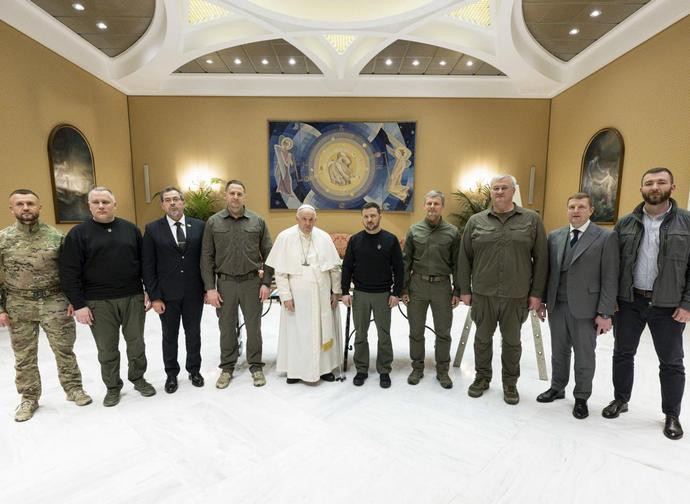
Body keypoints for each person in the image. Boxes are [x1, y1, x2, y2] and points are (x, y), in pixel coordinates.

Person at [602, 167, 690, 440]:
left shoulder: (686, 222)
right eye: (649, 183)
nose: (654, 187)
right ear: (641, 189)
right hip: (630, 302)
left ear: (672, 187)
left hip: (667, 306)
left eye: (660, 182)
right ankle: (621, 399)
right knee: (622, 353)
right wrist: (613, 301)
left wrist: (687, 303)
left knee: (672, 363)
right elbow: (612, 267)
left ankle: (671, 414)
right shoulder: (626, 223)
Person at [0, 189, 91, 422]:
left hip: (55, 301)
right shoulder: (3, 239)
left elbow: (71, 272)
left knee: (64, 349)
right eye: (20, 204)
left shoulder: (57, 237)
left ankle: (73, 388)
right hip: (19, 304)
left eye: (30, 203)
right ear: (12, 209)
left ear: (40, 207)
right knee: (24, 355)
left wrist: (74, 300)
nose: (26, 208)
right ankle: (29, 398)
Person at [59, 186, 155, 407]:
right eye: (96, 202)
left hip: (132, 297)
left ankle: (138, 378)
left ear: (115, 204)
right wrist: (79, 304)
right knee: (107, 348)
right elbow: (68, 272)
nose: (101, 206)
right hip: (98, 302)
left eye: (105, 201)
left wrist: (149, 289)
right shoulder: (78, 234)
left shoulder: (130, 229)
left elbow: (145, 264)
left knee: (136, 344)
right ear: (89, 206)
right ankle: (113, 386)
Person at [457, 174, 548, 405]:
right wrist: (464, 290)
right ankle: (482, 378)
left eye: (504, 188)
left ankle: (510, 384)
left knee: (512, 342)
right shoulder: (476, 221)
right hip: (483, 294)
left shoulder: (531, 220)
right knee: (482, 339)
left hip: (516, 295)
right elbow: (464, 258)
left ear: (513, 191)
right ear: (491, 192)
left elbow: (541, 259)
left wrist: (536, 293)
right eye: (495, 188)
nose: (499, 192)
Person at [536, 192, 618, 419]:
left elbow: (610, 277)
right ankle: (557, 387)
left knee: (584, 355)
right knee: (559, 351)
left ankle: (581, 397)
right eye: (571, 206)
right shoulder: (555, 236)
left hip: (587, 308)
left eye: (581, 206)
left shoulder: (605, 237)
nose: (576, 210)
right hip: (557, 305)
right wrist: (543, 300)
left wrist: (605, 312)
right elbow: (547, 272)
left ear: (591, 210)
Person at [201, 180, 273, 388]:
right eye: (231, 193)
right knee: (226, 327)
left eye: (239, 193)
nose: (235, 197)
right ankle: (227, 367)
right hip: (225, 284)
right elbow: (206, 257)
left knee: (254, 326)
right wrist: (210, 288)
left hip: (252, 282)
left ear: (244, 196)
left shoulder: (257, 221)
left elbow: (269, 253)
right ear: (226, 195)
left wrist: (266, 283)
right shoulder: (214, 222)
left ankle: (256, 366)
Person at [265, 204, 343, 384]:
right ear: (297, 219)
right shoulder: (284, 237)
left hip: (322, 294)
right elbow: (281, 272)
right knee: (297, 333)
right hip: (297, 297)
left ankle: (324, 370)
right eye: (304, 219)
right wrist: (286, 296)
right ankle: (295, 371)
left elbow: (334, 268)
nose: (307, 223)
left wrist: (336, 291)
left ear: (315, 220)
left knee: (322, 330)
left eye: (311, 220)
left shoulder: (323, 237)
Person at [142, 187, 205, 394]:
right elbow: (148, 266)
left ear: (183, 202)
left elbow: (205, 261)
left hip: (194, 293)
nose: (173, 203)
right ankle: (171, 374)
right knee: (170, 335)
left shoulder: (199, 227)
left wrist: (207, 288)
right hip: (166, 296)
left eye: (176, 199)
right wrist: (155, 296)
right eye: (168, 200)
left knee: (193, 333)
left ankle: (194, 370)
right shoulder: (152, 229)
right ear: (162, 205)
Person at [402, 190, 461, 389]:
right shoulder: (414, 230)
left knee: (443, 331)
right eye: (429, 203)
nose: (432, 207)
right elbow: (406, 262)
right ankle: (417, 368)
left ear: (442, 206)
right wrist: (404, 289)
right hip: (417, 285)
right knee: (416, 330)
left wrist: (457, 291)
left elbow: (458, 264)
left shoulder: (452, 232)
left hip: (442, 287)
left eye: (436, 203)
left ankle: (443, 370)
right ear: (424, 206)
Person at [341, 202, 403, 388]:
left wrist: (396, 293)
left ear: (380, 216)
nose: (369, 220)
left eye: (373, 216)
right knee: (361, 334)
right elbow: (346, 268)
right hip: (360, 294)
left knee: (384, 334)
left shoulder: (390, 240)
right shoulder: (355, 240)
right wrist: (345, 292)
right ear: (362, 218)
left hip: (383, 295)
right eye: (366, 216)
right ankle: (361, 369)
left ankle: (384, 370)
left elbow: (399, 269)